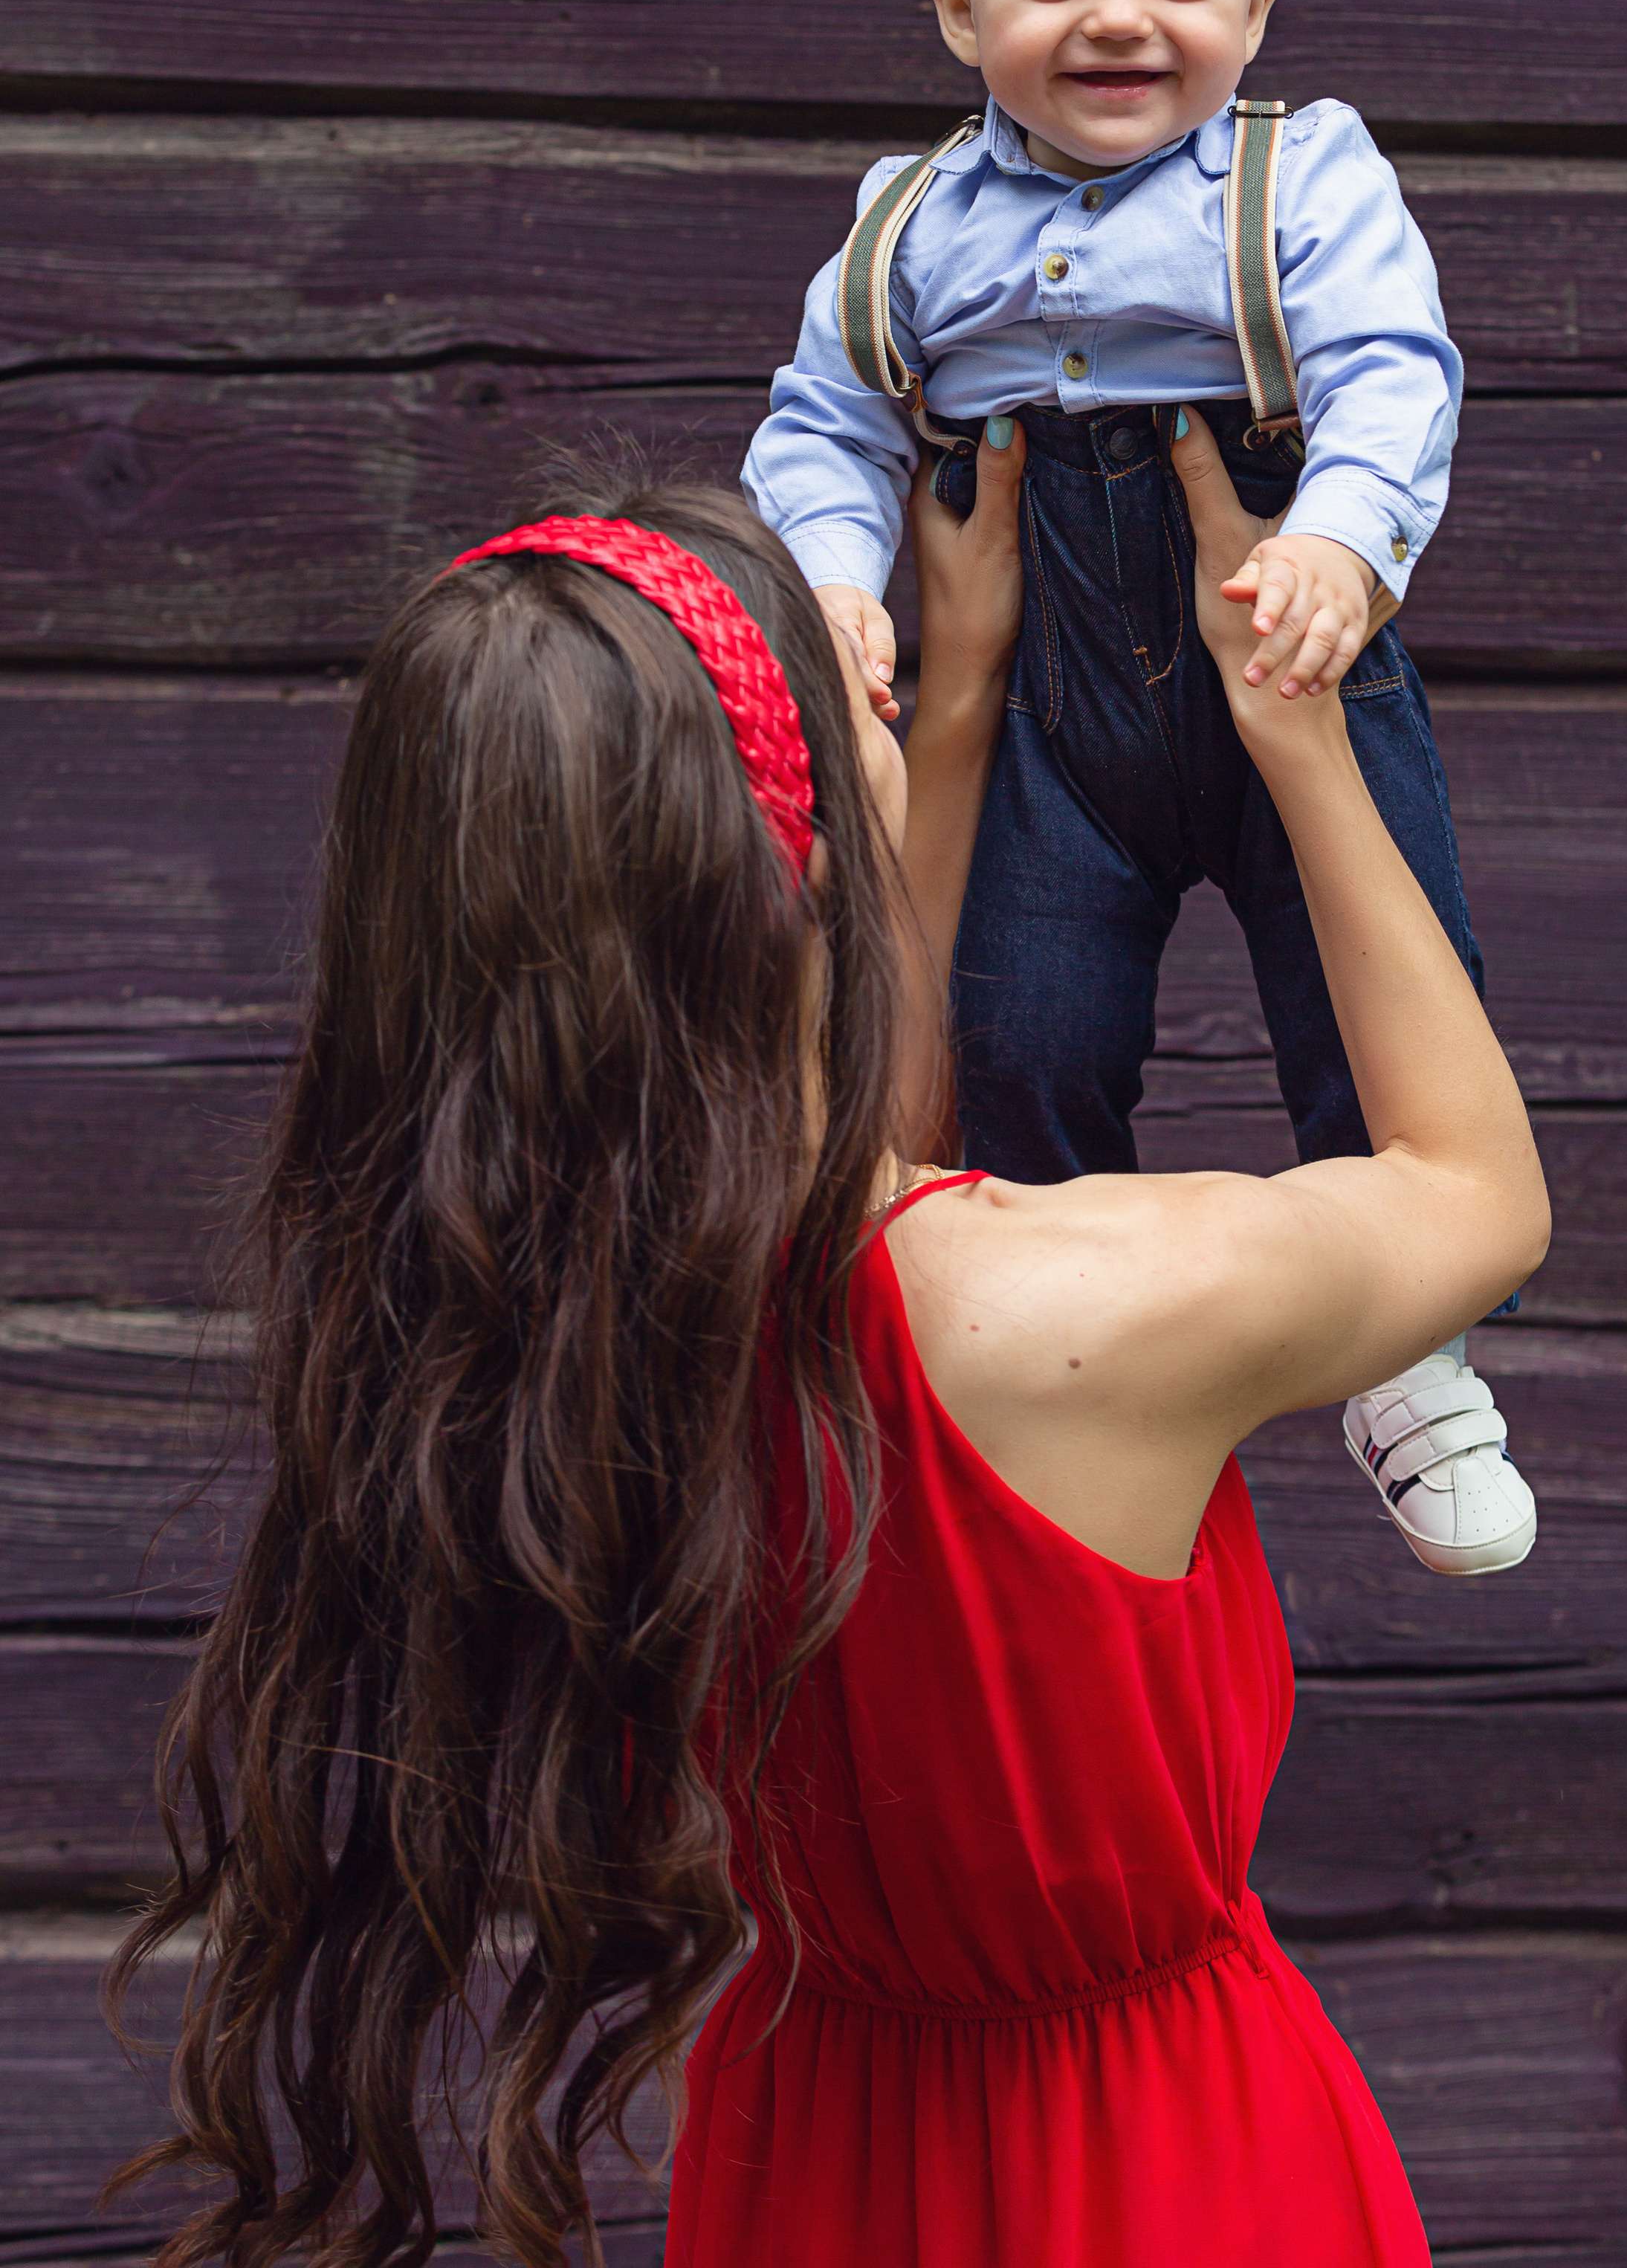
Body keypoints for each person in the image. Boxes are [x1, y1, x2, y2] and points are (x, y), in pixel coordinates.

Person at [108, 426, 1547, 2268]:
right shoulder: (1077, 1308)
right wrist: (1291, 736)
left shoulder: (541, 1343)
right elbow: (1472, 1190)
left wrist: (939, 723)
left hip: (810, 2157)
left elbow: (839, 1108)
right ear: (780, 860)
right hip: (1164, 2166)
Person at [743, 0, 1536, 1576]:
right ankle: (1043, 1337)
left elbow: (1385, 375)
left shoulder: (1302, 176)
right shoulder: (906, 225)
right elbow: (824, 429)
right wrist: (835, 580)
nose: (1121, 20)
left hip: (1279, 632)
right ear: (955, 6)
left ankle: (1410, 1354)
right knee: (1018, 1017)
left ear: (1257, 3)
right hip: (1032, 705)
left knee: (1375, 979)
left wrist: (1338, 539)